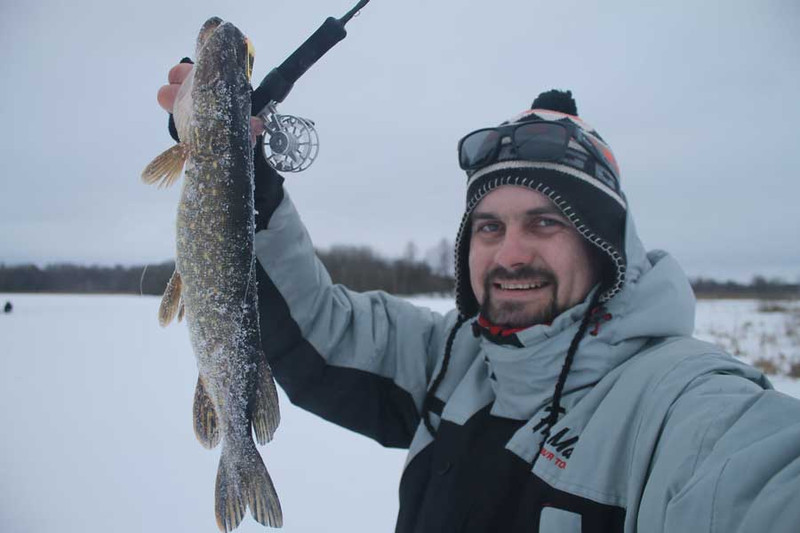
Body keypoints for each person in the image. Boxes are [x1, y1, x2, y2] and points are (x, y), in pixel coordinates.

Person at [158, 64, 800, 532]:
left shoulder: (682, 405)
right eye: (489, 227)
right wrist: (242, 180)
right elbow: (320, 326)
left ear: (604, 245)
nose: (511, 253)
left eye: (545, 223)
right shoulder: (457, 359)